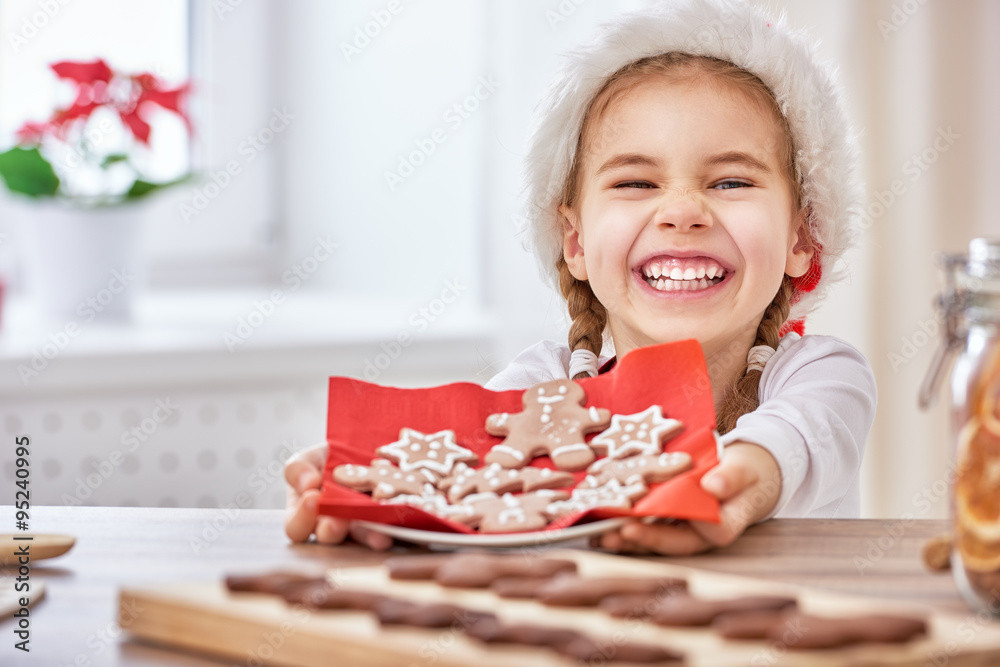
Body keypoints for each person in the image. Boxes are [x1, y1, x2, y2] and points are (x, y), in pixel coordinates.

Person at [284, 0, 876, 555]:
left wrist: (744, 477)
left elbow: (798, 439)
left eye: (730, 182)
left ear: (802, 238)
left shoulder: (822, 376)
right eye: (635, 183)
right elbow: (471, 460)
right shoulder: (543, 385)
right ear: (576, 242)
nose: (682, 211)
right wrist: (372, 475)